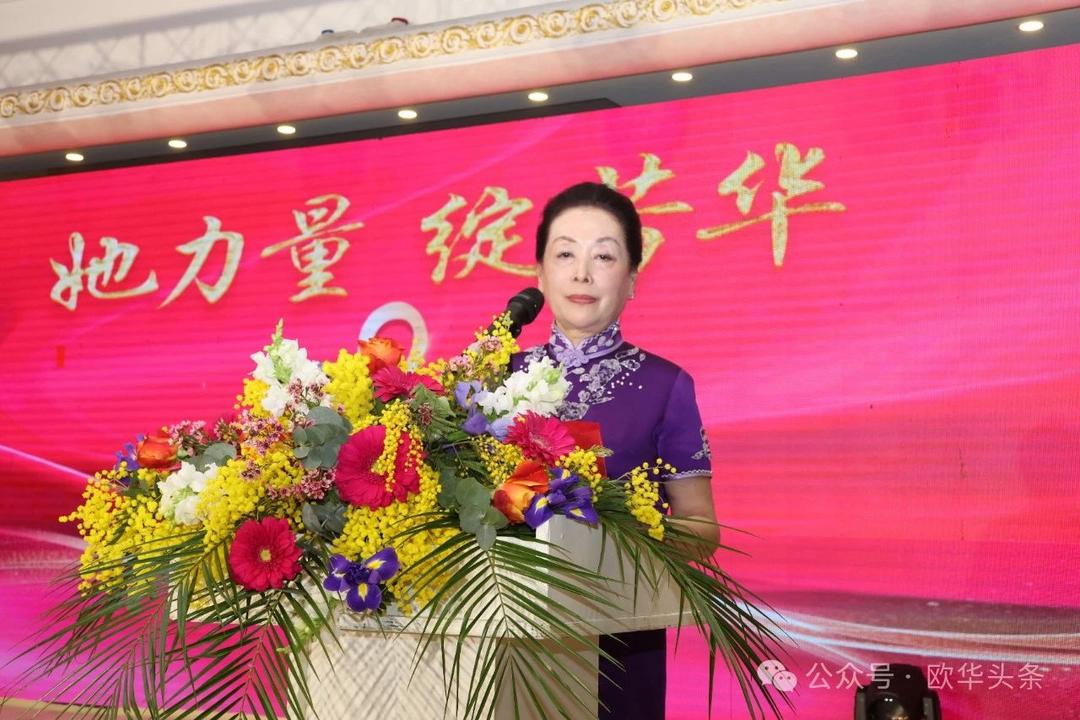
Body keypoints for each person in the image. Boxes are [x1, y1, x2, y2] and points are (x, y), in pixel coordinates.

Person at [511, 181, 719, 719]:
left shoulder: (665, 385)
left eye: (603, 256)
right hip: (502, 642)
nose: (582, 273)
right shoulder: (492, 379)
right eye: (565, 254)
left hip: (620, 644)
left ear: (631, 280)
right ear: (540, 274)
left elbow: (701, 527)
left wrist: (618, 544)